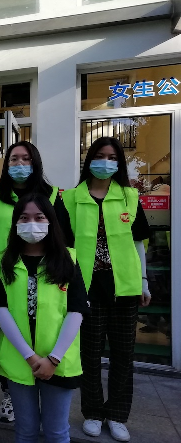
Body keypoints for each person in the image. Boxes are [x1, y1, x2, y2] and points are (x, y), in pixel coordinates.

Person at [0, 140, 74, 423]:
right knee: (8, 333)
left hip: (45, 274)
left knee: (41, 327)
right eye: (14, 159)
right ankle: (11, 392)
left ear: (35, 163)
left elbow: (64, 236)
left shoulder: (52, 195)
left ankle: (46, 378)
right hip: (5, 274)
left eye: (25, 159)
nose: (19, 164)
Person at [62, 137, 151, 442]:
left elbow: (138, 242)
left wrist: (143, 281)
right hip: (87, 289)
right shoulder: (71, 198)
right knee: (89, 354)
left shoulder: (129, 196)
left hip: (125, 288)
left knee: (123, 355)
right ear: (90, 160)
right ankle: (93, 413)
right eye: (100, 156)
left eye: (112, 157)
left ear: (119, 163)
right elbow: (64, 246)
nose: (106, 162)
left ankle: (117, 415)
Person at [0, 194, 88, 443]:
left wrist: (53, 358)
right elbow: (0, 309)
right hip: (19, 359)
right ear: (15, 223)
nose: (31, 224)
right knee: (25, 431)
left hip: (58, 359)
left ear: (50, 222)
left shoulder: (68, 259)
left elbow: (76, 310)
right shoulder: (1, 261)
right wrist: (30, 357)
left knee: (57, 432)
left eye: (39, 217)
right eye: (24, 218)